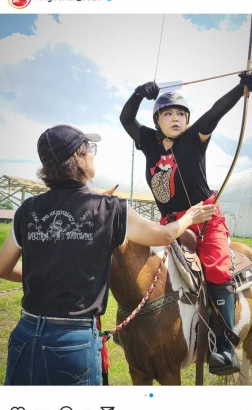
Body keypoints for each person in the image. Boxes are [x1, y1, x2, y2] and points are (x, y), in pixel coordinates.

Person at [0, 124, 215, 386]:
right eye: (90, 148)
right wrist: (190, 217)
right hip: (73, 343)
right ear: (78, 158)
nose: (93, 154)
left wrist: (45, 279)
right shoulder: (108, 208)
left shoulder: (27, 210)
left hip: (25, 336)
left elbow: (2, 268)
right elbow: (163, 236)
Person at [120, 67, 252, 376]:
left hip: (205, 220)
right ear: (157, 120)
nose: (176, 118)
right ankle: (136, 330)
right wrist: (137, 94)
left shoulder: (194, 139)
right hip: (169, 224)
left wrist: (242, 88)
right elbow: (126, 120)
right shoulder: (147, 141)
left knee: (215, 266)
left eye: (182, 114)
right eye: (168, 113)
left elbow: (215, 112)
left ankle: (225, 346)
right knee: (142, 267)